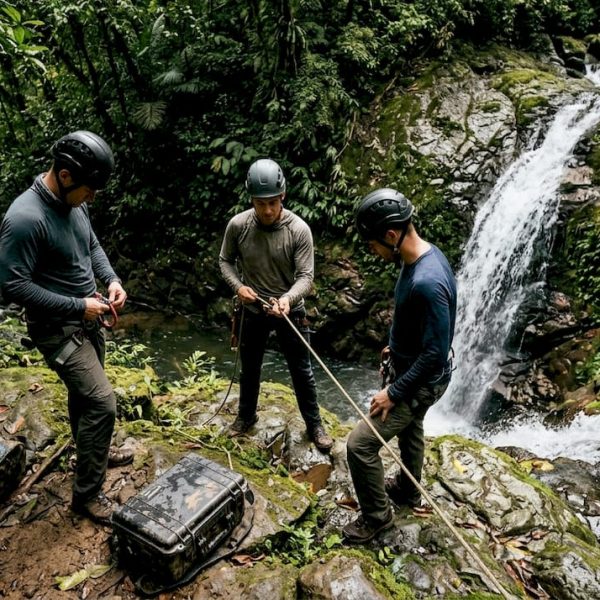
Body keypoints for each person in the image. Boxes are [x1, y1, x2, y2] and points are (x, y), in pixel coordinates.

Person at [0, 130, 131, 525]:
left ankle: (92, 452)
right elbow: (12, 285)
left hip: (88, 315)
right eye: (90, 190)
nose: (92, 198)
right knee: (101, 402)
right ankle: (87, 496)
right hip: (56, 329)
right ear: (66, 175)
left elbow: (90, 244)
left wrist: (111, 280)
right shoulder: (25, 219)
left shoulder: (75, 203)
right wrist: (79, 305)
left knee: (85, 396)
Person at [343, 187, 457, 543]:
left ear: (391, 236)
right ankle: (408, 491)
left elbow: (435, 353)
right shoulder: (423, 258)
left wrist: (393, 392)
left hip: (420, 381)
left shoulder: (427, 281)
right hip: (414, 369)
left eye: (372, 244)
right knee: (412, 430)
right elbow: (419, 326)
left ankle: (377, 517)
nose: (372, 251)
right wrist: (394, 347)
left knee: (359, 446)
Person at [219, 158, 333, 452]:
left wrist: (287, 299)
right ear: (252, 200)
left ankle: (315, 425)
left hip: (289, 310)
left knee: (302, 371)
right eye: (260, 203)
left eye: (272, 202)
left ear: (282, 196)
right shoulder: (239, 226)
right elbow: (225, 261)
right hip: (252, 309)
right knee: (250, 368)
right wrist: (239, 287)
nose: (267, 210)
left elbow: (306, 277)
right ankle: (245, 417)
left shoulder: (298, 230)